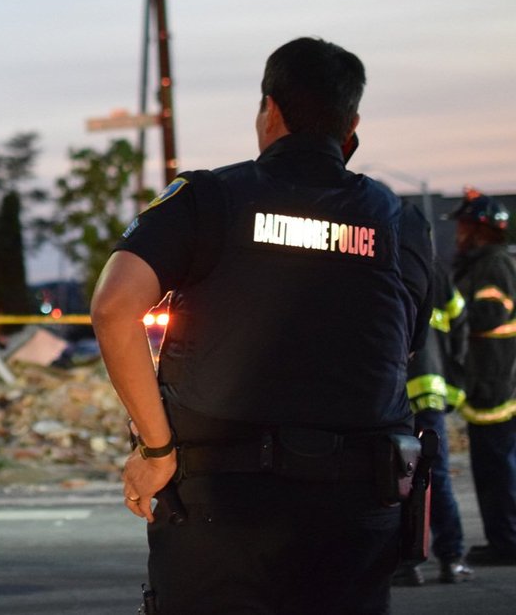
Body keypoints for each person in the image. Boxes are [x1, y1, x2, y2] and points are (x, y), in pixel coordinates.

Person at [90, 36, 434, 614]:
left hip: (222, 510)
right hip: (354, 509)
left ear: (270, 110)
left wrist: (156, 451)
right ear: (351, 125)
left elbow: (113, 306)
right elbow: (403, 344)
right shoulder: (401, 221)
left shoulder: (208, 198)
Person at [392, 262, 473, 585]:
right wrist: (453, 370)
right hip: (430, 389)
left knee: (394, 479)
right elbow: (460, 320)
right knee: (435, 476)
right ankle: (451, 560)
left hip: (393, 393)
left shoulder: (383, 258)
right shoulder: (435, 269)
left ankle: (406, 564)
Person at [451, 189, 516, 566]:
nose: (458, 232)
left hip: (494, 386)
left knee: (496, 472)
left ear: (482, 230)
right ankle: (502, 539)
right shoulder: (481, 263)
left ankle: (505, 544)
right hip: (488, 381)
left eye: (463, 225)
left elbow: (489, 316)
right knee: (492, 470)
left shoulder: (492, 266)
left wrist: (451, 320)